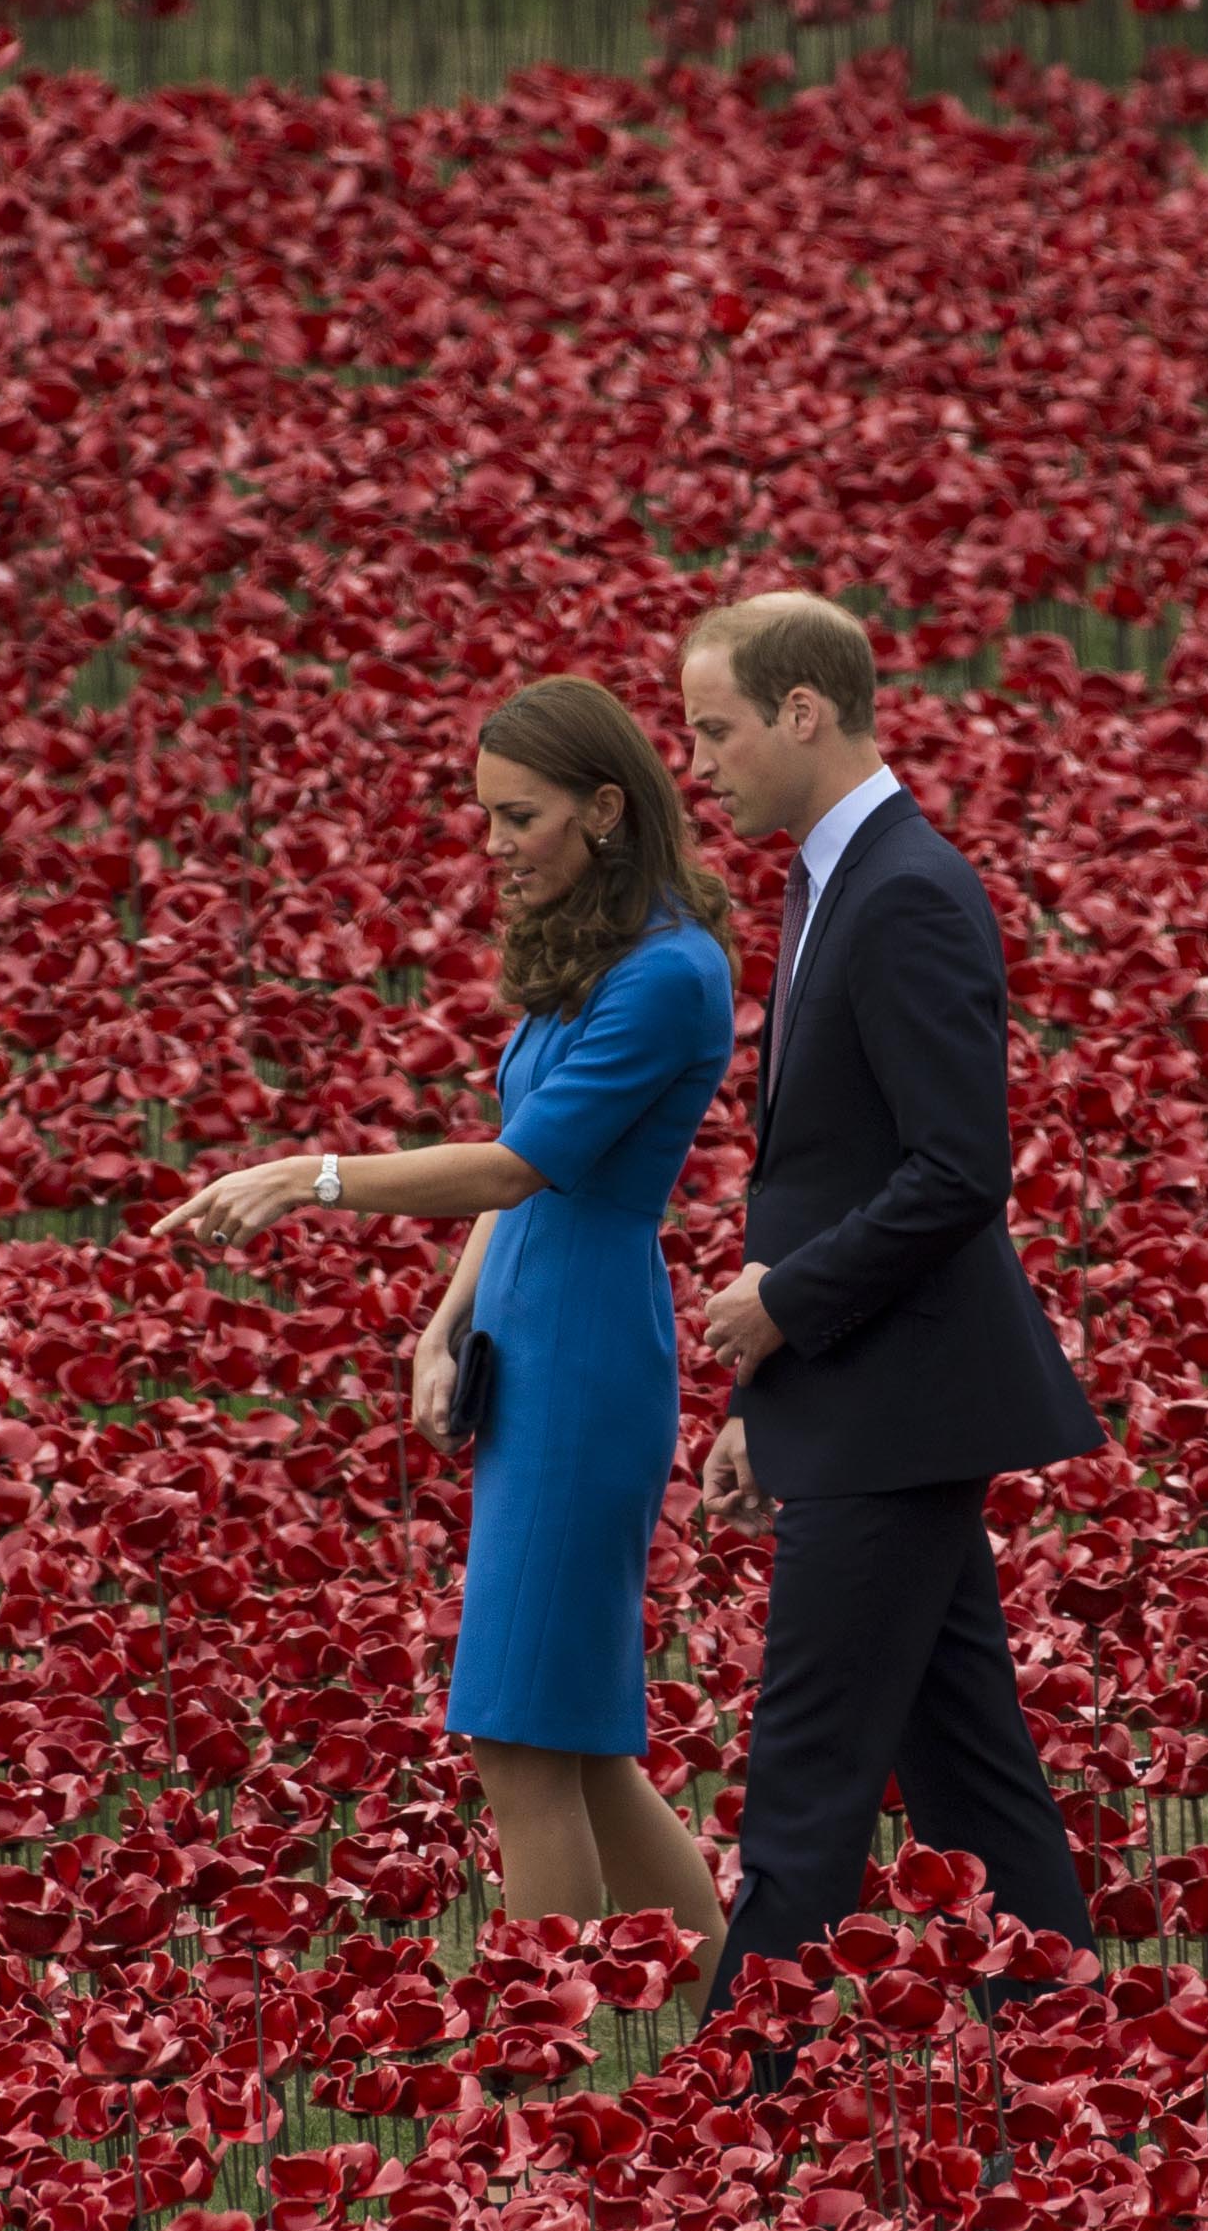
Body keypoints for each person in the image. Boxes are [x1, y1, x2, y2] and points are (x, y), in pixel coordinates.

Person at [157, 676, 735, 1955]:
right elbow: (521, 1157)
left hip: (588, 1359)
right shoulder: (598, 958)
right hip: (530, 1339)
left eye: (516, 816)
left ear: (603, 808)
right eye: (483, 815)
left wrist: (307, 1179)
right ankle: (735, 2038)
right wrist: (444, 1318)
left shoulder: (669, 976)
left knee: (521, 1745)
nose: (492, 845)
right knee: (574, 1749)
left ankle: (545, 2075)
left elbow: (518, 1167)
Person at [673, 591, 1102, 2036]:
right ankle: (1078, 2055)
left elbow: (955, 1171)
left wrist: (785, 1308)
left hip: (897, 1406)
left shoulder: (907, 887)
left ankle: (730, 2110)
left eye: (716, 729)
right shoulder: (825, 880)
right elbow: (838, 1175)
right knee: (974, 1770)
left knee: (804, 1782)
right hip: (863, 1400)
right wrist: (764, 1396)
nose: (702, 763)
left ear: (805, 712)